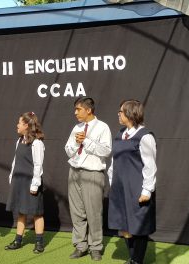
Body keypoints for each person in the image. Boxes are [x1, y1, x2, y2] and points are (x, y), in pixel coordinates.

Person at [108, 100, 157, 264]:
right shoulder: (119, 134)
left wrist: (146, 191)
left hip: (137, 189)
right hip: (120, 188)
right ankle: (132, 259)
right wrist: (112, 181)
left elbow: (150, 166)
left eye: (121, 111)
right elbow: (114, 162)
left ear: (130, 113)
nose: (118, 114)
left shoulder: (145, 136)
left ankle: (137, 261)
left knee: (139, 227)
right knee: (125, 226)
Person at [64, 97, 112, 261]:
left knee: (94, 212)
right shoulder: (76, 127)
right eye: (75, 109)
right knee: (77, 211)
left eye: (78, 109)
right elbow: (68, 149)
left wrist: (86, 141)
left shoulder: (102, 127)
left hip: (92, 173)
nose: (75, 112)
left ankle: (96, 247)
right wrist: (77, 144)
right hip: (74, 171)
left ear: (88, 110)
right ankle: (80, 245)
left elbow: (106, 151)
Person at [4, 112, 46, 254]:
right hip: (19, 181)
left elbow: (38, 164)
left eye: (19, 123)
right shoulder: (19, 140)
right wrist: (12, 175)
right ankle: (18, 240)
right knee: (21, 211)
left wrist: (35, 184)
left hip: (31, 182)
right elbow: (16, 160)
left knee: (36, 213)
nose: (17, 125)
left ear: (26, 125)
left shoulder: (37, 143)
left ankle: (39, 242)